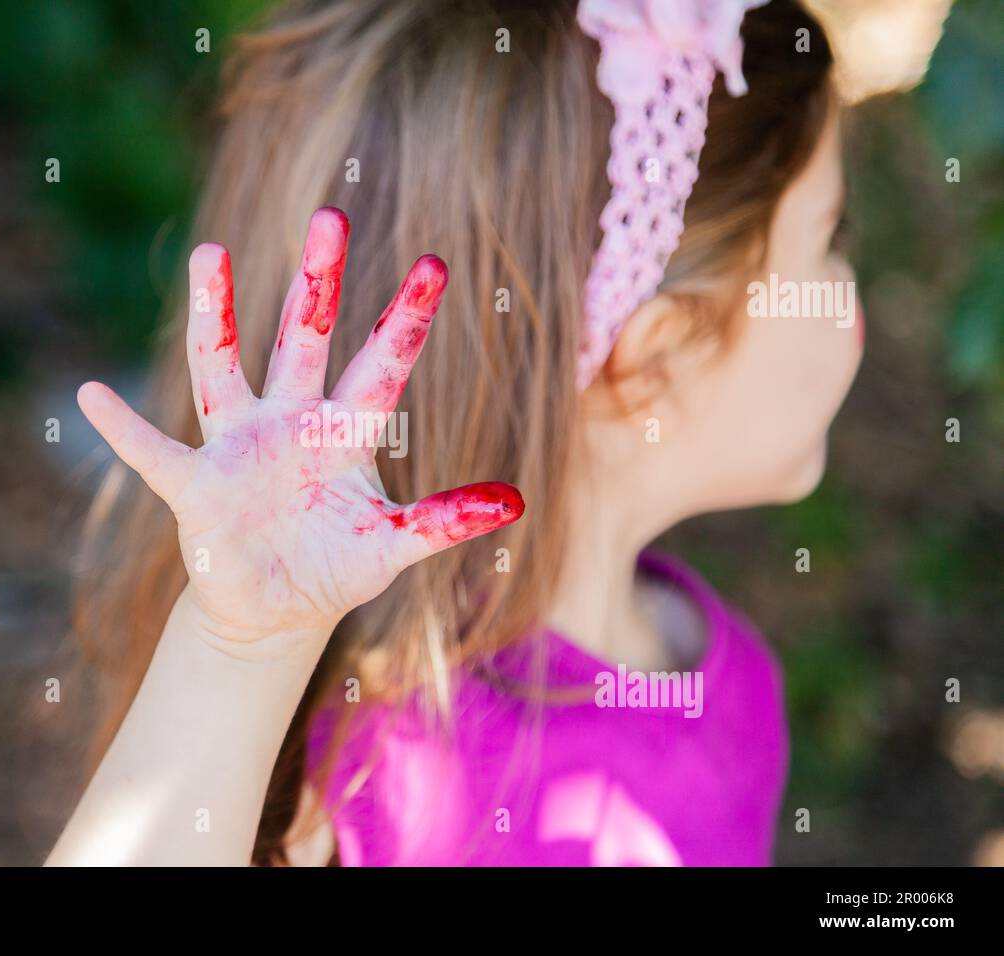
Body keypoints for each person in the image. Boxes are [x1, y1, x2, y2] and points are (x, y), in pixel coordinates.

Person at [48, 0, 862, 866]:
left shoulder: (731, 686)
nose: (853, 293)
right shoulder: (363, 779)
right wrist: (243, 656)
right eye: (829, 243)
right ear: (657, 358)